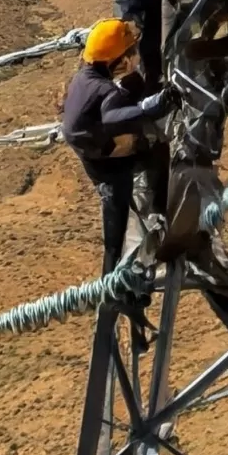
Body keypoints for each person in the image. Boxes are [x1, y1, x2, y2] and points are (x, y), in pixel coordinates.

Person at [60, 18, 173, 272]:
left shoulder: (84, 78)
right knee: (157, 149)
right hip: (109, 168)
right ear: (119, 59)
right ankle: (159, 214)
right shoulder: (106, 91)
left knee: (135, 85)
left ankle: (113, 288)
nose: (134, 58)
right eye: (131, 52)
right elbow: (111, 118)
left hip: (92, 152)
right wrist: (150, 108)